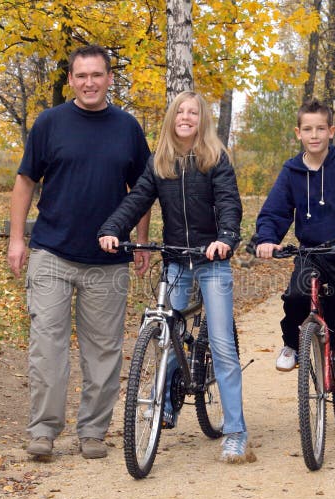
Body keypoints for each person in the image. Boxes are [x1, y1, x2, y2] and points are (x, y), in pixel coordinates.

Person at [7, 44, 152, 460]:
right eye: (81, 75)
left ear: (109, 79)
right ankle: (43, 431)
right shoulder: (50, 123)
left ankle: (92, 432)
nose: (89, 82)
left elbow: (142, 191)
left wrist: (140, 240)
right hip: (52, 252)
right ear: (71, 80)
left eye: (97, 75)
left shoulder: (127, 127)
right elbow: (24, 183)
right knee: (47, 347)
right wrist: (18, 240)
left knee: (103, 351)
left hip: (108, 260)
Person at [98, 91, 251, 463]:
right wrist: (113, 229)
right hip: (176, 260)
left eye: (193, 112)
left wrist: (225, 239)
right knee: (168, 333)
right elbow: (137, 201)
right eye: (180, 111)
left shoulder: (216, 159)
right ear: (172, 118)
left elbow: (229, 203)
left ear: (202, 120)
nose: (186, 117)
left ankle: (236, 433)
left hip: (211, 259)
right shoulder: (160, 161)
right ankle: (167, 404)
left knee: (222, 345)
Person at [253, 98, 335, 417]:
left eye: (320, 129)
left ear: (331, 131)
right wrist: (267, 239)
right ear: (298, 133)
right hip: (313, 255)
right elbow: (275, 210)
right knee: (296, 295)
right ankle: (294, 344)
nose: (314, 135)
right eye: (307, 129)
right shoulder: (292, 170)